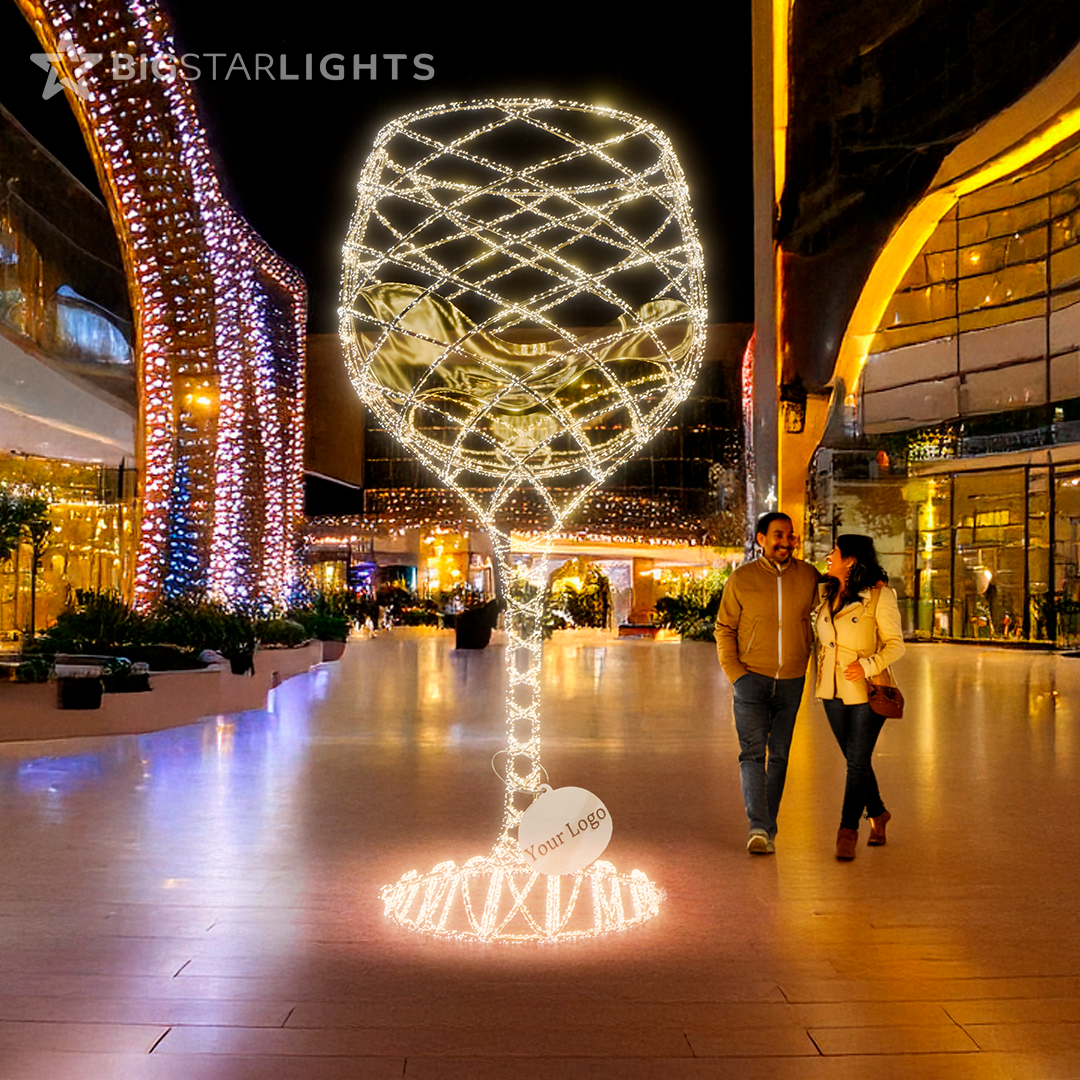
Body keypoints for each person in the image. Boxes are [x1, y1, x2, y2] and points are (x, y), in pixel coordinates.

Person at [715, 512, 821, 854]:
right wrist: (737, 676)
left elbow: (828, 616)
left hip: (792, 680)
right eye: (778, 535)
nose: (785, 542)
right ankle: (758, 827)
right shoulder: (742, 579)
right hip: (751, 680)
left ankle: (766, 829)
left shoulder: (808, 576)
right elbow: (724, 629)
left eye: (790, 535)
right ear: (761, 539)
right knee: (751, 755)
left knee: (779, 757)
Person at [814, 534, 905, 861]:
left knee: (855, 763)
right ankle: (878, 813)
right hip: (831, 691)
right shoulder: (826, 593)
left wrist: (868, 665)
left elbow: (896, 644)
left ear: (850, 559)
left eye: (834, 552)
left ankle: (847, 831)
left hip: (867, 689)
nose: (828, 556)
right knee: (857, 760)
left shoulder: (881, 597)